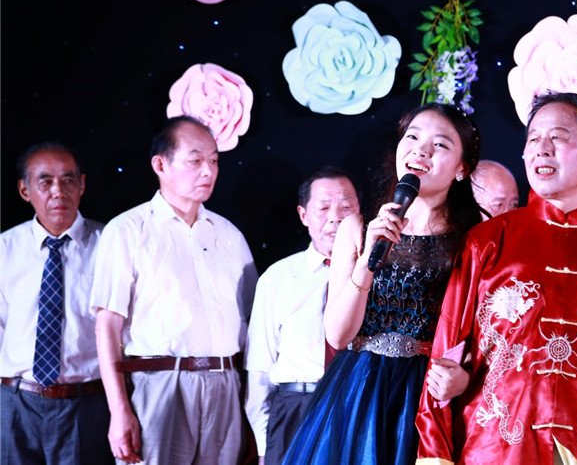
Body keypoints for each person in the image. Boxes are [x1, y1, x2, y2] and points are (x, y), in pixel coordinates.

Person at [415, 92, 577, 464]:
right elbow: (442, 364)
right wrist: (435, 458)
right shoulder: (486, 243)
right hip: (496, 452)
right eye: (533, 139)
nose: (541, 149)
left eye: (558, 137)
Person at [281, 103, 483, 465]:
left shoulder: (475, 240)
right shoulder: (357, 228)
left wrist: (464, 379)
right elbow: (338, 335)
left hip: (425, 398)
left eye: (440, 144)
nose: (421, 151)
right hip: (357, 391)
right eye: (413, 137)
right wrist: (366, 261)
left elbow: (487, 337)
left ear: (461, 168)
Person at [91, 116, 259, 465]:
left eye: (214, 161)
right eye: (195, 160)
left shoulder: (228, 234)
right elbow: (107, 326)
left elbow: (254, 324)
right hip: (160, 383)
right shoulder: (128, 231)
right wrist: (119, 411)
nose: (208, 171)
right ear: (160, 164)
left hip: (225, 384)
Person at [0, 142, 111, 464]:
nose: (58, 191)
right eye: (45, 181)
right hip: (15, 403)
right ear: (25, 190)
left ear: (82, 185)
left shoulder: (110, 245)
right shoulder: (5, 249)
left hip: (86, 403)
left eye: (68, 180)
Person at [245, 166, 360, 465]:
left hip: (357, 403)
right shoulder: (278, 278)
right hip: (296, 408)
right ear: (303, 214)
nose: (335, 217)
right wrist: (263, 446)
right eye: (323, 208)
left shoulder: (376, 275)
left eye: (346, 207)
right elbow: (259, 369)